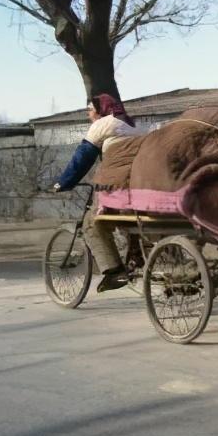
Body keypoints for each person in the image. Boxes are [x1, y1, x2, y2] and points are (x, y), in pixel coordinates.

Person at [51, 93, 148, 292]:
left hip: (117, 184)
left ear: (101, 110)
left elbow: (82, 159)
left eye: (90, 109)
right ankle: (136, 254)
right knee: (132, 220)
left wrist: (63, 183)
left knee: (91, 223)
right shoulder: (135, 126)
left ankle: (114, 272)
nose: (88, 114)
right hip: (143, 184)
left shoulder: (103, 124)